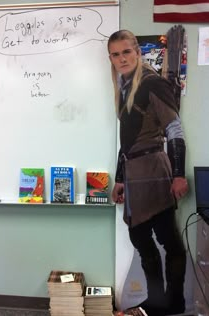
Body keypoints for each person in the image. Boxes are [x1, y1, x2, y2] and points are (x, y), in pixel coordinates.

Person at [108, 30, 189, 316]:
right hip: (134, 173)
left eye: (126, 52)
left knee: (169, 240)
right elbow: (127, 142)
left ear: (137, 52)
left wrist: (179, 174)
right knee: (142, 241)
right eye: (115, 54)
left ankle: (172, 302)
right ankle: (158, 302)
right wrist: (119, 179)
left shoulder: (152, 83)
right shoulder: (125, 86)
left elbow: (174, 130)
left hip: (155, 171)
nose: (121, 58)